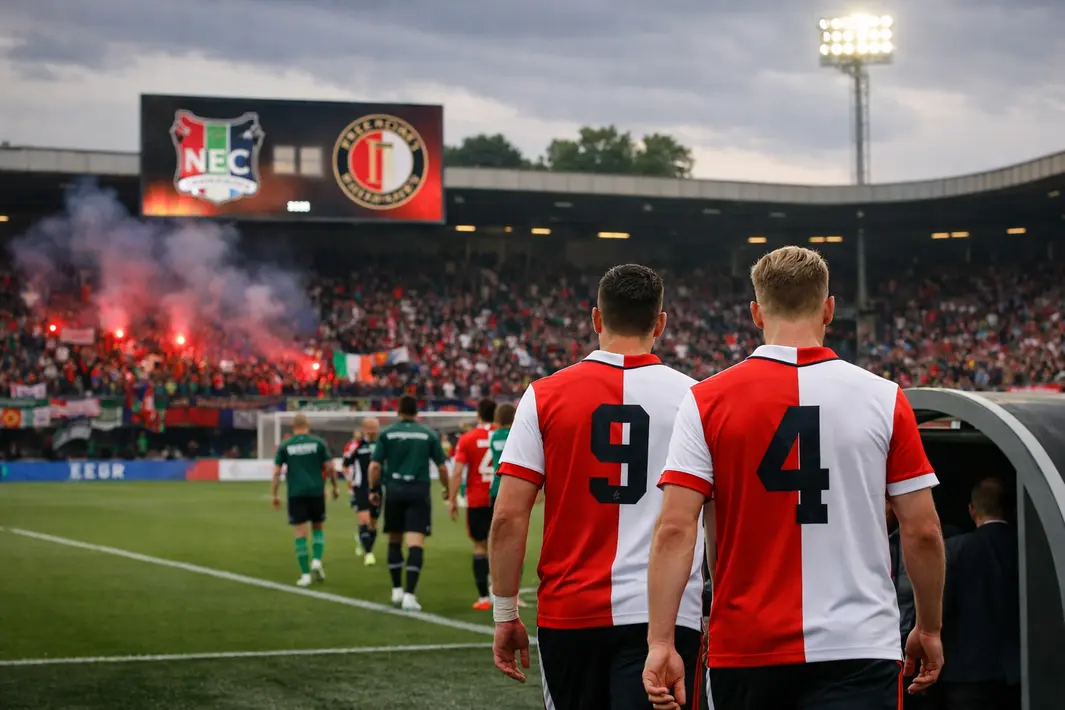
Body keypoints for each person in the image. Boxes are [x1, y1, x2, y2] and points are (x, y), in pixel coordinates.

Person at [644, 245, 947, 710]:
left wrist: (662, 642)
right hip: (859, 644)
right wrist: (928, 627)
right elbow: (923, 529)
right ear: (829, 309)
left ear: (755, 313)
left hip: (748, 645)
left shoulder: (707, 399)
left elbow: (674, 528)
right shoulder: (885, 398)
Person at [489, 264, 704, 710]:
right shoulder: (697, 397)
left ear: (596, 319)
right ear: (660, 323)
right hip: (665, 613)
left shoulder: (544, 395)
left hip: (571, 611)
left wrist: (505, 612)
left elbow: (508, 516)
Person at [938, 477, 1020, 710]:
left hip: (965, 673)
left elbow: (940, 609)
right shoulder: (1026, 547)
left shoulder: (954, 550)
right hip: (1018, 671)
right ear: (1010, 508)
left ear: (971, 510)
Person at [368, 395, 449, 612]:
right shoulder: (428, 434)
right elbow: (442, 467)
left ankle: (396, 590)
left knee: (394, 539)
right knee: (415, 543)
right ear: (417, 411)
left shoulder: (387, 434)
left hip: (394, 490)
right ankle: (409, 595)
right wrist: (447, 489)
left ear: (398, 411)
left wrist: (373, 490)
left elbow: (374, 466)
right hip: (418, 492)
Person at [271, 413, 339, 588]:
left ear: (292, 426)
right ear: (307, 425)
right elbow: (330, 467)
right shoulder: (318, 443)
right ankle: (316, 559)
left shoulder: (285, 445)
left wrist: (275, 494)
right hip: (316, 492)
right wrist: (335, 486)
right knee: (318, 527)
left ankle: (305, 575)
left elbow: (277, 471)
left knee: (300, 533)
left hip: (296, 493)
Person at [448, 398, 496, 610]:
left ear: (478, 414)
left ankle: (484, 598)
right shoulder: (508, 435)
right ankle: (502, 596)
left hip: (477, 499)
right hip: (501, 498)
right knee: (503, 546)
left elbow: (457, 472)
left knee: (480, 546)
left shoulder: (468, 438)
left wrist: (451, 499)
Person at [343, 418, 381, 566]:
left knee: (373, 522)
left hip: (378, 488)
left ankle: (362, 540)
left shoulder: (382, 445)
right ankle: (369, 553)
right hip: (361, 487)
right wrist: (351, 482)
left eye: (374, 428)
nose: (372, 431)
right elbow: (346, 466)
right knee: (364, 519)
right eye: (369, 428)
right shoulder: (356, 446)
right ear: (364, 429)